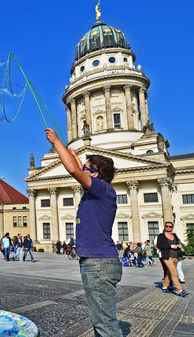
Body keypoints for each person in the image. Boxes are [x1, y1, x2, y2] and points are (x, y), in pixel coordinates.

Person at [46, 127, 123, 337]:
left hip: (99, 263)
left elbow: (74, 171)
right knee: (101, 319)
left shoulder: (101, 188)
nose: (82, 169)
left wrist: (57, 142)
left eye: (87, 168)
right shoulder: (98, 189)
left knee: (105, 324)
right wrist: (73, 154)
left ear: (95, 175)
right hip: (96, 262)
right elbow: (79, 167)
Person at [156, 222, 189, 297]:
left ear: (172, 227)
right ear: (164, 227)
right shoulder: (161, 236)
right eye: (166, 226)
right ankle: (180, 290)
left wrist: (179, 245)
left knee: (169, 273)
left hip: (175, 256)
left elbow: (178, 243)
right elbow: (159, 245)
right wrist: (170, 246)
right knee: (174, 273)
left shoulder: (174, 236)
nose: (168, 227)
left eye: (170, 226)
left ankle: (165, 286)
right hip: (167, 257)